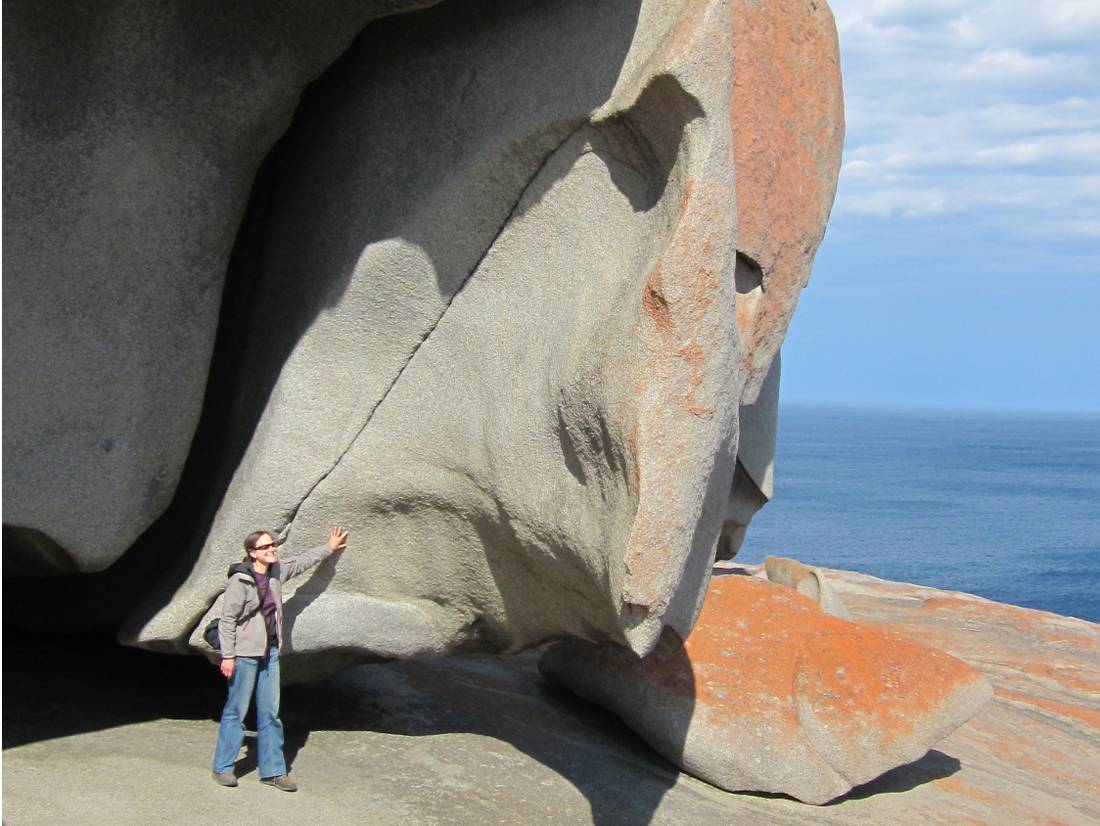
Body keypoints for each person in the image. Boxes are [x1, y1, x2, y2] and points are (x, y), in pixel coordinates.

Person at [211, 526, 349, 791]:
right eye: (265, 547)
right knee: (236, 712)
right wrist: (228, 656)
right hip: (244, 655)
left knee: (271, 713)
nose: (272, 548)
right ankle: (223, 767)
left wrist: (329, 548)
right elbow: (227, 621)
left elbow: (301, 563)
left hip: (271, 653)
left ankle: (273, 771)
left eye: (273, 544)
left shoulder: (276, 572)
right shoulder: (240, 581)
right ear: (252, 553)